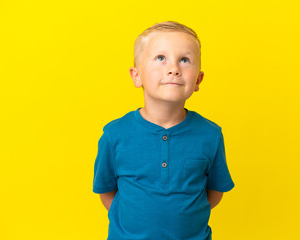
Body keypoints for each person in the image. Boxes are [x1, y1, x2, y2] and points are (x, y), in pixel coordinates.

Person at [93, 20, 235, 240]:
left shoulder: (210, 134)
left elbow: (215, 192)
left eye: (184, 60)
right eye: (161, 58)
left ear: (198, 79)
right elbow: (106, 191)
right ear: (136, 75)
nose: (173, 69)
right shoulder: (114, 134)